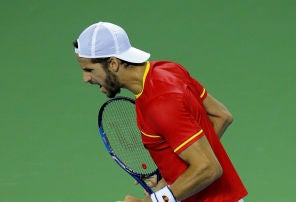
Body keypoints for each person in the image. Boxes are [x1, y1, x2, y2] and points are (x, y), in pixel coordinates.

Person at [73, 22, 248, 202]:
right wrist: (172, 179)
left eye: (89, 70)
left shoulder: (159, 103)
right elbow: (220, 116)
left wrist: (152, 201)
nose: (86, 79)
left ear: (113, 63)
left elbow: (208, 167)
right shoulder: (168, 69)